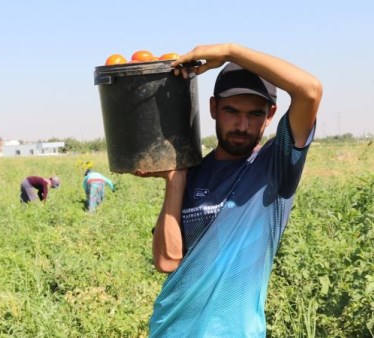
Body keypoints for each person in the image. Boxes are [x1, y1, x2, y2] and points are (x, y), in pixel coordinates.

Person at [136, 44, 322, 337]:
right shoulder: (192, 172)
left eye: (255, 114)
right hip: (168, 330)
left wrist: (229, 52)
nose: (242, 125)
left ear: (271, 114)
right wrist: (175, 179)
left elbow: (309, 90)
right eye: (231, 111)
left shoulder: (275, 166)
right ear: (213, 108)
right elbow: (166, 260)